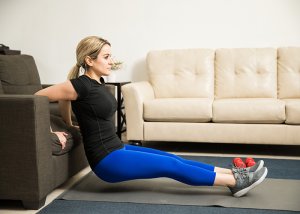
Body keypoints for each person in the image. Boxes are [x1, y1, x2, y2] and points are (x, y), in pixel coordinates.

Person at [35, 36, 268, 197]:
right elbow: (37, 97)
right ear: (89, 60)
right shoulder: (79, 85)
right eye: (106, 57)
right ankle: (236, 183)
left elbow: (66, 98)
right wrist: (51, 130)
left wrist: (68, 123)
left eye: (110, 56)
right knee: (170, 166)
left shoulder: (94, 84)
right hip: (107, 160)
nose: (111, 61)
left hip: (117, 148)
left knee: (173, 159)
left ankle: (236, 173)